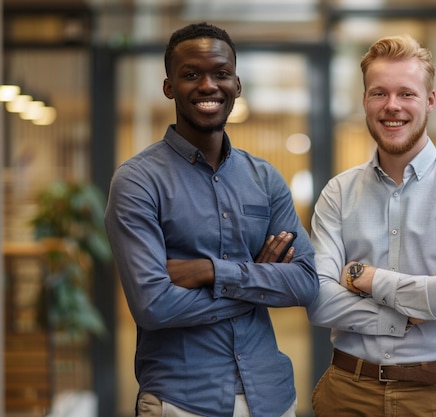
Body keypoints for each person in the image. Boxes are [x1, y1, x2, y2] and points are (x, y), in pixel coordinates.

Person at [104, 22, 319, 417]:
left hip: (272, 399)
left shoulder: (265, 178)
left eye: (220, 73)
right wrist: (255, 279)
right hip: (181, 401)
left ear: (237, 84)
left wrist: (209, 272)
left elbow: (305, 283)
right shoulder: (137, 181)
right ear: (169, 87)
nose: (208, 85)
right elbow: (154, 306)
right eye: (191, 75)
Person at [306, 34, 436, 417]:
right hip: (347, 392)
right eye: (379, 93)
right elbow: (318, 300)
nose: (392, 106)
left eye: (406, 94)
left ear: (430, 101)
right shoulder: (338, 192)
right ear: (365, 101)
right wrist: (411, 312)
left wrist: (367, 278)